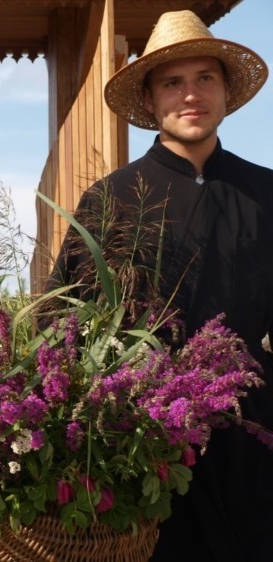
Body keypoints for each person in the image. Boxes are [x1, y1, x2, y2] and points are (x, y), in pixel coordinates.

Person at [47, 10, 273, 562]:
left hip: (254, 443)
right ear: (150, 101)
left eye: (205, 79)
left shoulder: (266, 192)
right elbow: (62, 324)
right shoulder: (111, 201)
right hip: (145, 445)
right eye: (173, 82)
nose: (190, 95)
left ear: (226, 93)